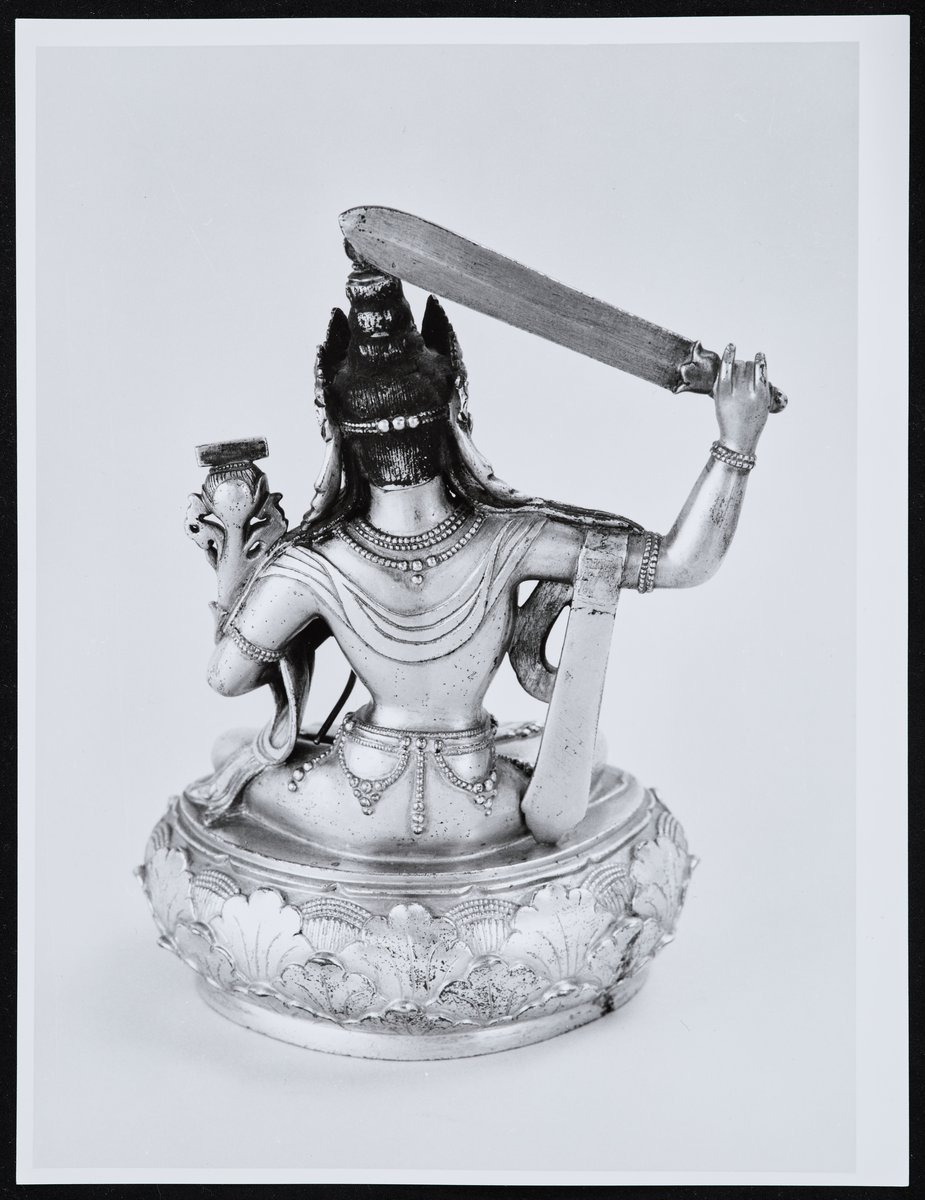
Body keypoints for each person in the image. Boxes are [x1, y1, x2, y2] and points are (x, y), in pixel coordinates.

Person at [192, 255, 771, 853]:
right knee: (587, 751)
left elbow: (226, 678)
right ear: (455, 415)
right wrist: (737, 440)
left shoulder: (312, 564)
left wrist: (237, 548)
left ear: (336, 434)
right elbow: (682, 562)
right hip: (481, 800)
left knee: (231, 752)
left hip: (353, 801)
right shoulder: (512, 538)